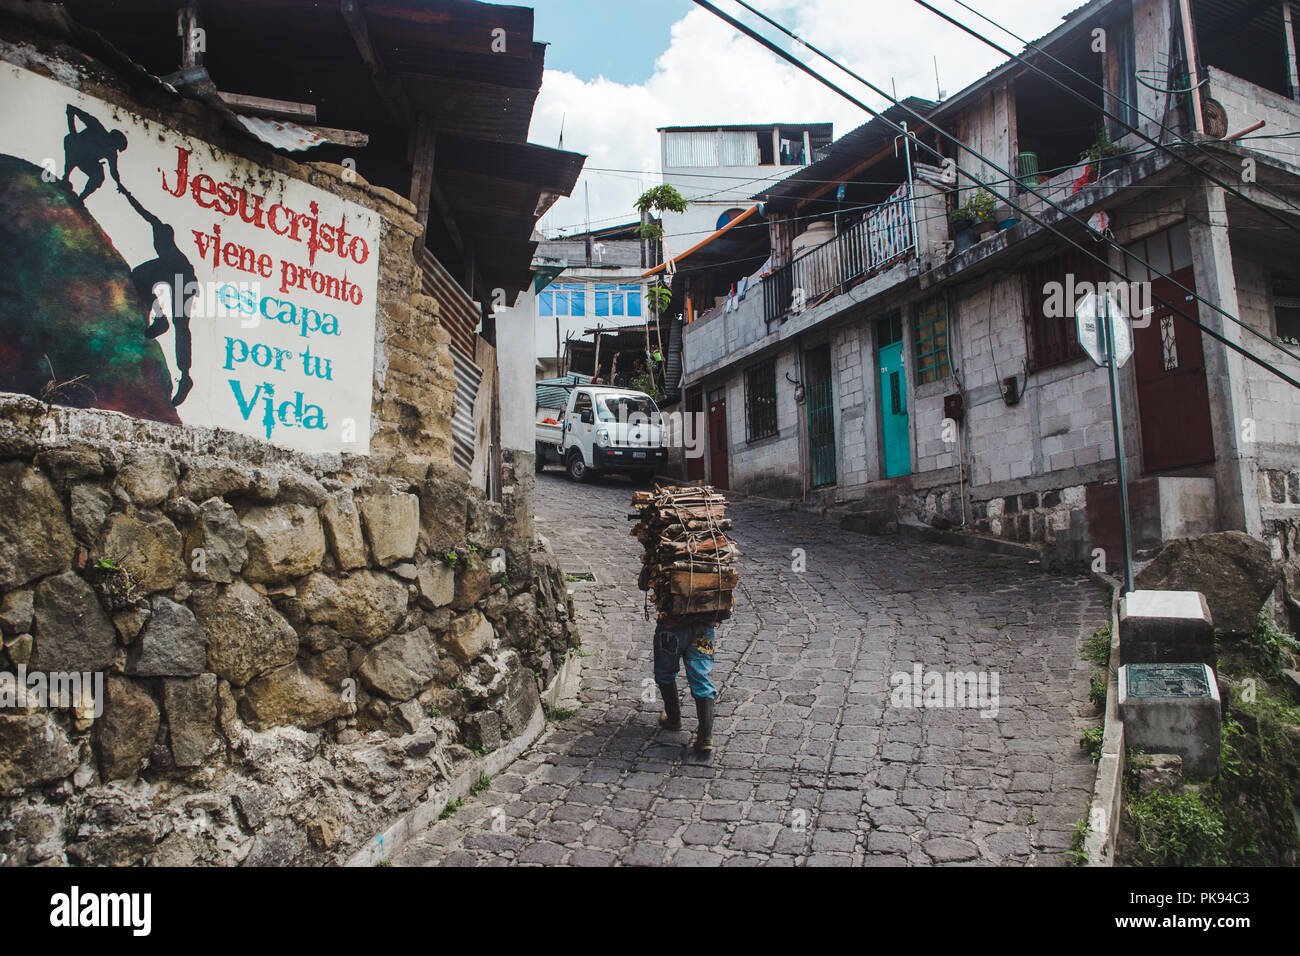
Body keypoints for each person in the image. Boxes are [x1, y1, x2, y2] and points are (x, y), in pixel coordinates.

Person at [653, 619, 716, 753]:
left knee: (665, 672)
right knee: (701, 677)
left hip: (671, 627)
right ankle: (705, 736)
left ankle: (674, 719)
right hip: (703, 629)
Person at [62, 104, 127, 201]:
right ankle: (66, 177)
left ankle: (80, 199)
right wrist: (73, 134)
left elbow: (113, 170)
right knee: (76, 149)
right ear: (112, 138)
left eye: (116, 148)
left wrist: (118, 183)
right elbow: (71, 109)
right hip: (74, 147)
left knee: (99, 175)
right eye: (115, 145)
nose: (114, 148)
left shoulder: (111, 152)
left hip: (86, 161)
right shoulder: (97, 127)